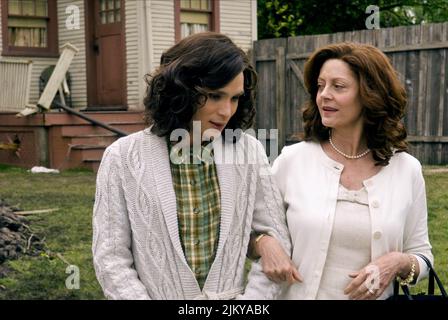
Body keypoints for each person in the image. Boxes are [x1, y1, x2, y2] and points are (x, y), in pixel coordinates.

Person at [92, 32, 294, 300]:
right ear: (180, 90)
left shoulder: (249, 151)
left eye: (234, 98)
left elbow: (276, 239)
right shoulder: (122, 156)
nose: (226, 111)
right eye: (214, 96)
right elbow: (111, 259)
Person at [254, 42, 433, 300]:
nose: (324, 94)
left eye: (338, 86)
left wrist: (398, 261)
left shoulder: (407, 170)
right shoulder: (292, 161)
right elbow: (252, 232)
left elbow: (423, 256)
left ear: (370, 94)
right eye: (320, 85)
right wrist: (265, 243)